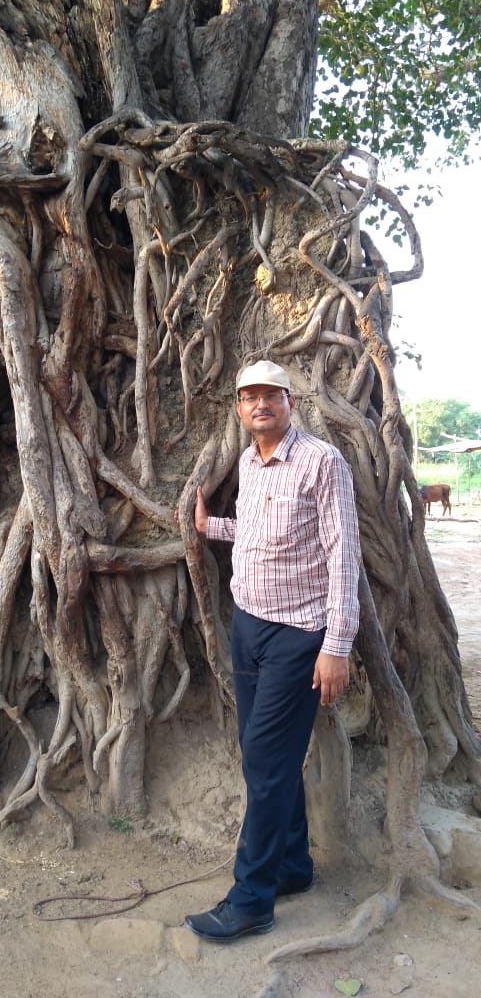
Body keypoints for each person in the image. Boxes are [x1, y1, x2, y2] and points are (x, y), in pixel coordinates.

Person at [183, 359, 361, 944]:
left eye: (271, 395)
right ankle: (291, 867)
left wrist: (337, 645)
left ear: (291, 402)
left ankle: (251, 898)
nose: (260, 404)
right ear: (239, 409)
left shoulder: (320, 462)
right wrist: (214, 529)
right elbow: (262, 533)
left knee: (264, 763)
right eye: (249, 396)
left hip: (298, 635)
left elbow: (341, 555)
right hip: (248, 628)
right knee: (267, 757)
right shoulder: (247, 463)